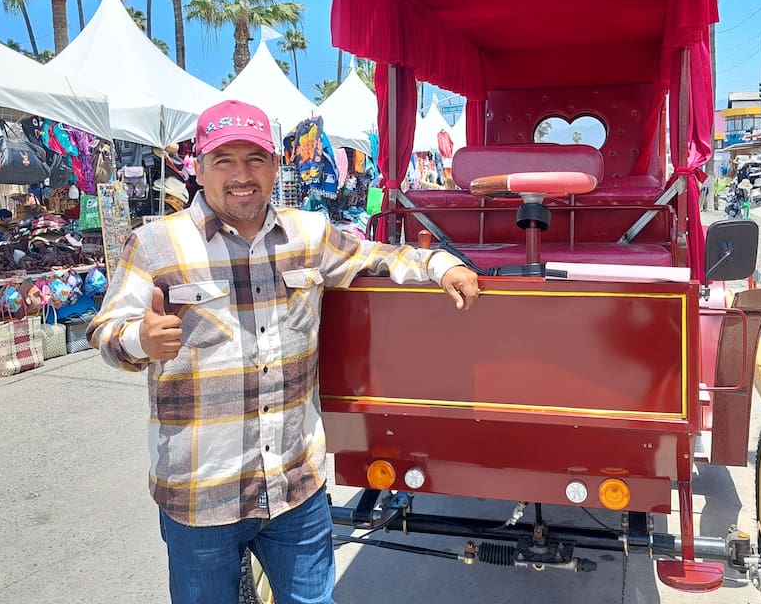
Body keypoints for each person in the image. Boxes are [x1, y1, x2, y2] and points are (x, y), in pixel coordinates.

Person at [88, 100, 480, 604]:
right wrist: (139, 341)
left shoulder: (308, 234)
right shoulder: (155, 245)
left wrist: (440, 265)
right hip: (201, 496)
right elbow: (106, 330)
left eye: (255, 159)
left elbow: (378, 256)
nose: (241, 175)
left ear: (275, 166)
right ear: (198, 168)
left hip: (295, 487)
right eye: (224, 160)